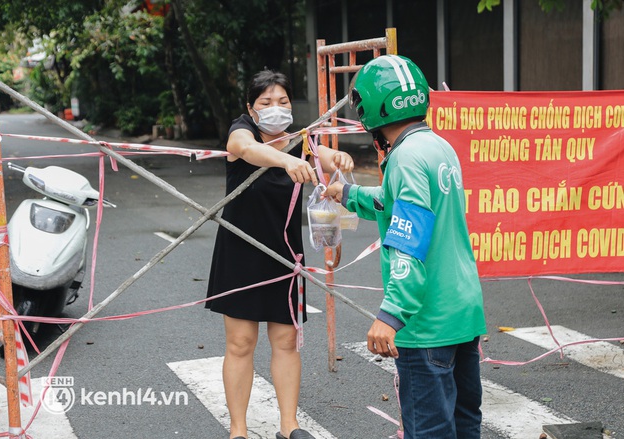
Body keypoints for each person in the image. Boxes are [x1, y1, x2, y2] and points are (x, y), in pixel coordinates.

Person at [323, 55, 487, 438]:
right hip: (463, 313)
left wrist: (391, 314)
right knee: (465, 427)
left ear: (370, 111)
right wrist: (349, 194)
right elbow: (398, 201)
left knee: (429, 432)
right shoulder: (438, 147)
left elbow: (408, 238)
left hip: (426, 324)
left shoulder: (405, 158)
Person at [206, 70, 354, 439]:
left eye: (283, 101)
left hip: (285, 254)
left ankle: (290, 426)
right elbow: (245, 149)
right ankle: (237, 430)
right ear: (250, 108)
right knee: (240, 343)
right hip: (240, 250)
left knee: (287, 341)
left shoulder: (299, 139)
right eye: (266, 102)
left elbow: (322, 153)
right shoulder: (242, 130)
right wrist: (284, 161)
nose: (276, 109)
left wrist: (339, 158)